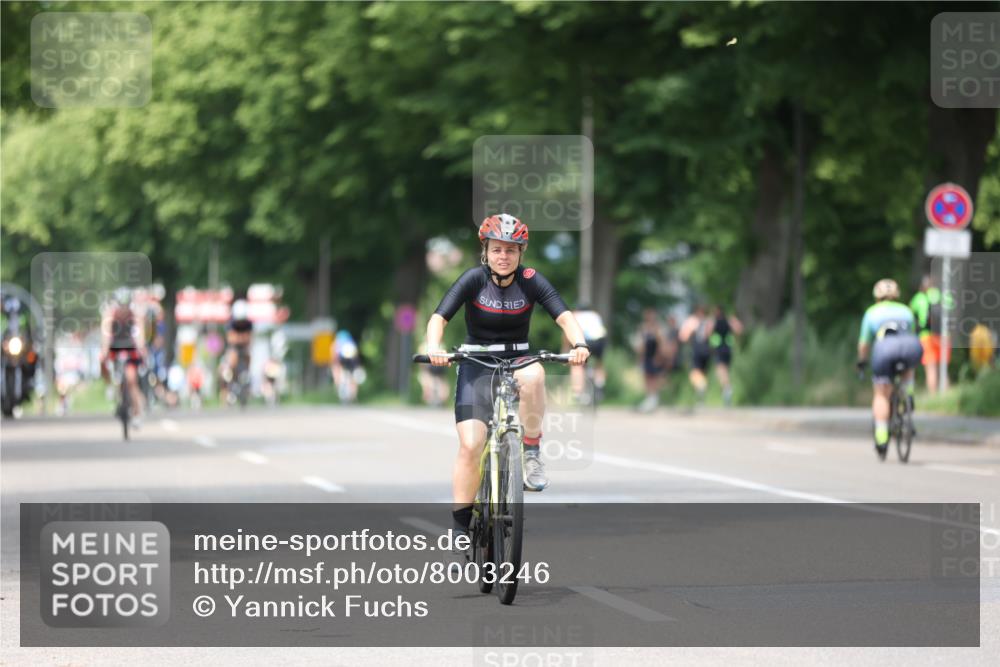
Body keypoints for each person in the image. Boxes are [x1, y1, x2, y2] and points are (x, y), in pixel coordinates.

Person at [423, 213, 589, 548]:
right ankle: (460, 527)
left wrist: (580, 343)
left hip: (518, 357)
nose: (504, 256)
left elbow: (564, 315)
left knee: (536, 373)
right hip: (475, 360)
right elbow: (439, 318)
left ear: (520, 253)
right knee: (471, 445)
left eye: (511, 250)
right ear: (485, 250)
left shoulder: (530, 280)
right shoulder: (473, 279)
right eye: (497, 249)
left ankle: (530, 451)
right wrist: (433, 348)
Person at [856, 278, 923, 458]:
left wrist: (862, 361)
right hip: (910, 346)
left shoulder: (871, 312)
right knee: (908, 367)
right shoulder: (906, 310)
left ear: (877, 296)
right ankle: (908, 394)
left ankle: (881, 437)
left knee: (881, 393)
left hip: (885, 349)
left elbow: (864, 344)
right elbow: (912, 332)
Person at [99, 288, 146, 426]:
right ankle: (109, 385)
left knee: (132, 381)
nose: (124, 308)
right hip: (115, 346)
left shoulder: (135, 315)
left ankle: (137, 413)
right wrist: (105, 350)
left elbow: (140, 334)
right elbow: (106, 334)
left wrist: (141, 348)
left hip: (131, 347)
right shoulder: (110, 314)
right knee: (101, 360)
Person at [909, 275, 949, 392]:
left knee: (931, 368)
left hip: (926, 336)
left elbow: (910, 314)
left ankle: (933, 397)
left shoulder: (919, 297)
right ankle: (946, 397)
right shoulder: (943, 295)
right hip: (944, 335)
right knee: (943, 368)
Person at [562, 303, 607, 405]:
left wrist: (565, 349)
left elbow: (566, 334)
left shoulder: (574, 315)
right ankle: (600, 385)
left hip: (586, 341)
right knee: (599, 363)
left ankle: (577, 393)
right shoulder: (595, 315)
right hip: (600, 341)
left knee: (577, 364)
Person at [633, 308, 668, 412]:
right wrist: (640, 357)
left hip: (654, 357)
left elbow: (661, 344)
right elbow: (640, 345)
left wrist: (659, 357)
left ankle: (653, 399)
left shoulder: (658, 329)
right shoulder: (643, 328)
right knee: (647, 377)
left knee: (654, 378)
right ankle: (649, 399)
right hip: (646, 357)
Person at [220, 298, 253, 404]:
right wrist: (241, 338)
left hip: (244, 348)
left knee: (248, 356)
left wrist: (241, 339)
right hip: (233, 348)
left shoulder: (248, 324)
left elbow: (249, 338)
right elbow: (231, 339)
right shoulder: (231, 324)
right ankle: (229, 379)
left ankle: (245, 375)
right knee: (231, 359)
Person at [710, 306, 744, 405]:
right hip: (728, 348)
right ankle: (726, 389)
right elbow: (739, 330)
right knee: (725, 370)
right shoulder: (729, 321)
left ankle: (727, 389)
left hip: (718, 349)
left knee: (721, 371)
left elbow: (708, 333)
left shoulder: (714, 322)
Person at [679, 305, 713, 404]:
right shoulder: (709, 321)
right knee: (703, 372)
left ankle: (701, 387)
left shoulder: (692, 321)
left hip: (697, 349)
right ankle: (701, 397)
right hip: (707, 350)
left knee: (695, 373)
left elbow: (683, 337)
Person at [331, 329, 361, 403]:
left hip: (344, 362)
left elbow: (334, 359)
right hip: (350, 362)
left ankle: (341, 391)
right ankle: (353, 395)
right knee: (353, 378)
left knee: (338, 375)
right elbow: (356, 360)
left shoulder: (337, 344)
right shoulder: (351, 343)